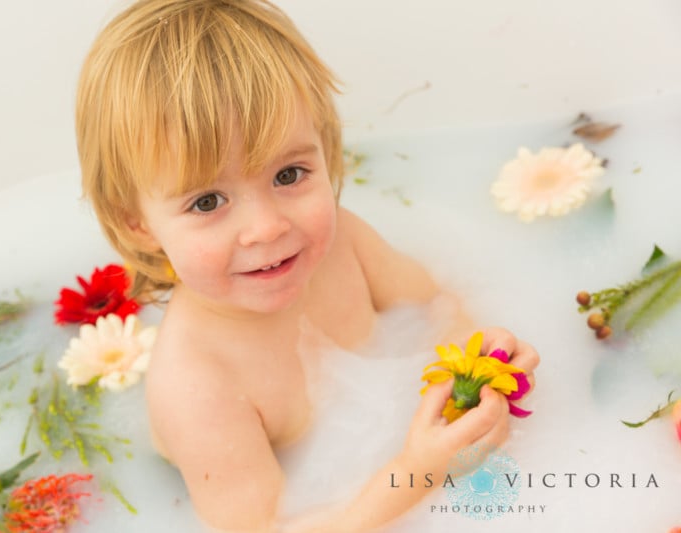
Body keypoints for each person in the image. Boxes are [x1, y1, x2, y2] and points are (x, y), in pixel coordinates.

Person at [75, 0, 539, 531]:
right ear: (138, 224)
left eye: (289, 174)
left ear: (325, 147)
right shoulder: (198, 385)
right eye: (207, 202)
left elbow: (438, 307)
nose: (268, 227)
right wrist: (416, 474)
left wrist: (481, 362)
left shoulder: (345, 244)